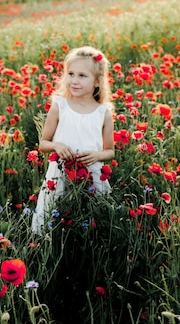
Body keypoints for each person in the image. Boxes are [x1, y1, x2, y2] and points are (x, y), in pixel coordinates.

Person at [31, 46, 115, 235]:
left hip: (91, 174)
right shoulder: (60, 106)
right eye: (70, 74)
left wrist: (97, 155)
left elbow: (110, 151)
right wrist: (56, 145)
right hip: (59, 174)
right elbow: (43, 144)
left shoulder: (103, 112)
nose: (74, 81)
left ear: (98, 82)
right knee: (51, 219)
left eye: (82, 76)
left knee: (92, 219)